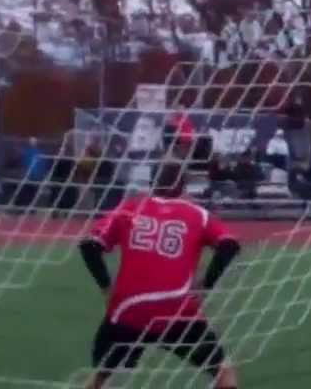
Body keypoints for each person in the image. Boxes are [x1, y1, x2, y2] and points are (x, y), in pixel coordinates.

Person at [77, 161, 242, 388]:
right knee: (225, 374)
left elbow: (88, 246)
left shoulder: (130, 208)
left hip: (127, 311)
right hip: (176, 312)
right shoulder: (198, 215)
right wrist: (206, 285)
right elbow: (229, 245)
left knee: (101, 377)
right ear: (183, 187)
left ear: (153, 184)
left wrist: (107, 287)